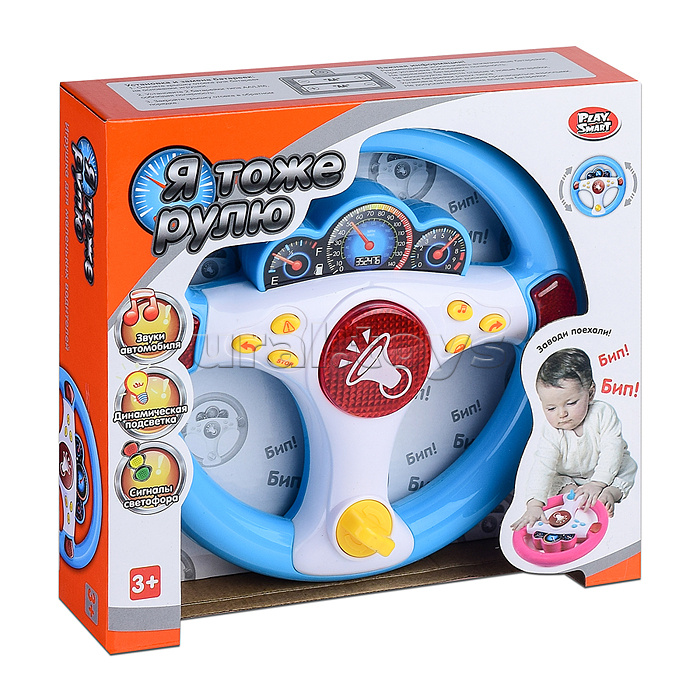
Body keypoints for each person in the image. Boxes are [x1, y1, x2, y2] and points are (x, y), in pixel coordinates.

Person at [511, 348, 637, 531]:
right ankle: (574, 498)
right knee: (555, 481)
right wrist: (534, 504)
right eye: (551, 408)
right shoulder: (552, 431)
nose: (562, 413)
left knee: (626, 466)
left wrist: (598, 483)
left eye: (571, 403)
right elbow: (542, 466)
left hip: (605, 470)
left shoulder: (602, 413)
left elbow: (612, 448)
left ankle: (609, 493)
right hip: (571, 477)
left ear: (590, 393)